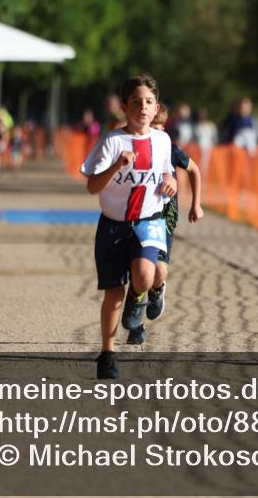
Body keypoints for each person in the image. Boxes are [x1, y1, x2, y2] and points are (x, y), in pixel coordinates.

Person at [81, 74, 177, 379]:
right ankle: (107, 353)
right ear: (125, 106)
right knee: (113, 294)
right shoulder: (112, 141)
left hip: (149, 220)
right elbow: (92, 186)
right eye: (136, 102)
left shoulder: (162, 140)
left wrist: (171, 180)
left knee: (145, 275)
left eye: (148, 102)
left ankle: (139, 301)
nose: (143, 107)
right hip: (113, 225)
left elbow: (167, 173)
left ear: (156, 107)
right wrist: (117, 166)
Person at [124, 107, 205, 345]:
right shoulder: (132, 147)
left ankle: (157, 290)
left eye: (160, 129)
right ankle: (136, 326)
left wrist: (196, 204)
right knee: (138, 271)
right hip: (134, 215)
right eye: (152, 128)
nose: (156, 133)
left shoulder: (169, 148)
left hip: (163, 218)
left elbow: (194, 170)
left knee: (158, 271)